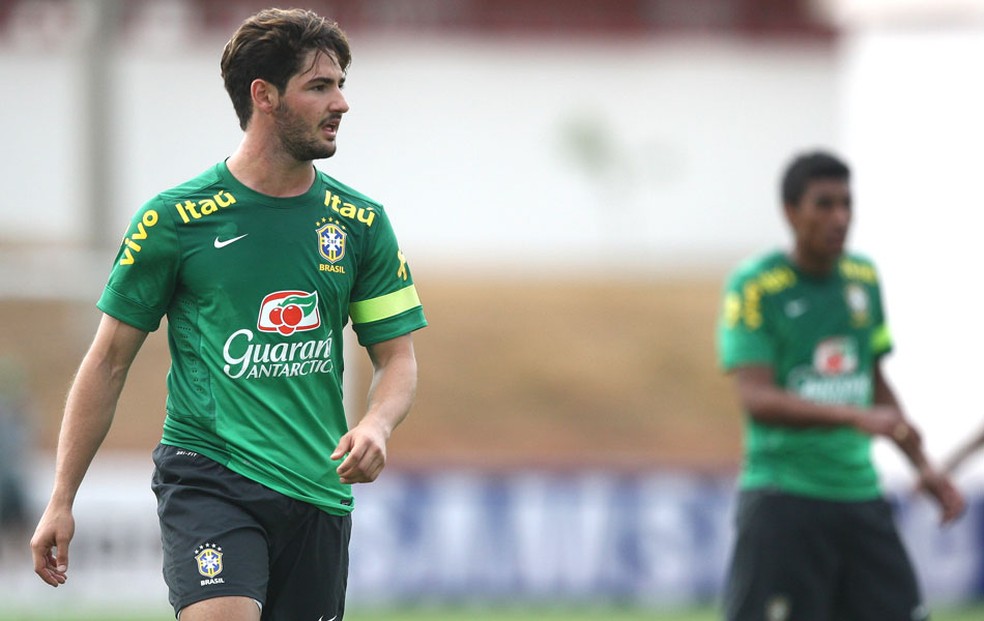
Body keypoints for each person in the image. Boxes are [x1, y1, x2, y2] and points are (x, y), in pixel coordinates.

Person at [30, 8, 426, 620]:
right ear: (264, 96)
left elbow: (396, 357)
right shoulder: (175, 219)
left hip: (317, 490)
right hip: (210, 477)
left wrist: (376, 424)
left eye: (341, 84)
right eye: (320, 86)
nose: (341, 103)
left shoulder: (360, 223)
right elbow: (107, 362)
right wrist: (61, 498)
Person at [715, 150, 964, 621]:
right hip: (785, 498)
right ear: (791, 212)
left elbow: (874, 382)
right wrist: (852, 415)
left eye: (847, 204)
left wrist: (922, 466)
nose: (840, 218)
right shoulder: (756, 286)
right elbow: (756, 398)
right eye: (824, 204)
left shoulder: (862, 279)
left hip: (859, 496)